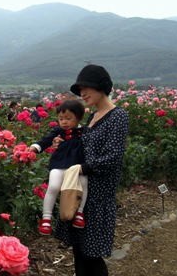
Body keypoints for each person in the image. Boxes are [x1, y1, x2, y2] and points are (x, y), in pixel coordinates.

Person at [55, 64, 129, 276]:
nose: (82, 93)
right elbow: (84, 148)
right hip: (80, 194)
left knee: (91, 255)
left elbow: (113, 157)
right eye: (79, 90)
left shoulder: (117, 116)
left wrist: (83, 168)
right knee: (79, 251)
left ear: (101, 86)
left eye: (86, 87)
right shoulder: (92, 117)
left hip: (98, 196)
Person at [29, 99, 88, 235]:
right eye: (61, 119)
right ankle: (46, 218)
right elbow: (46, 140)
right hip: (60, 162)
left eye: (68, 118)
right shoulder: (58, 131)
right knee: (53, 186)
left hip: (78, 165)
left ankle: (80, 213)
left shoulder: (84, 132)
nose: (64, 122)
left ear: (78, 118)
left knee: (84, 184)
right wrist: (35, 147)